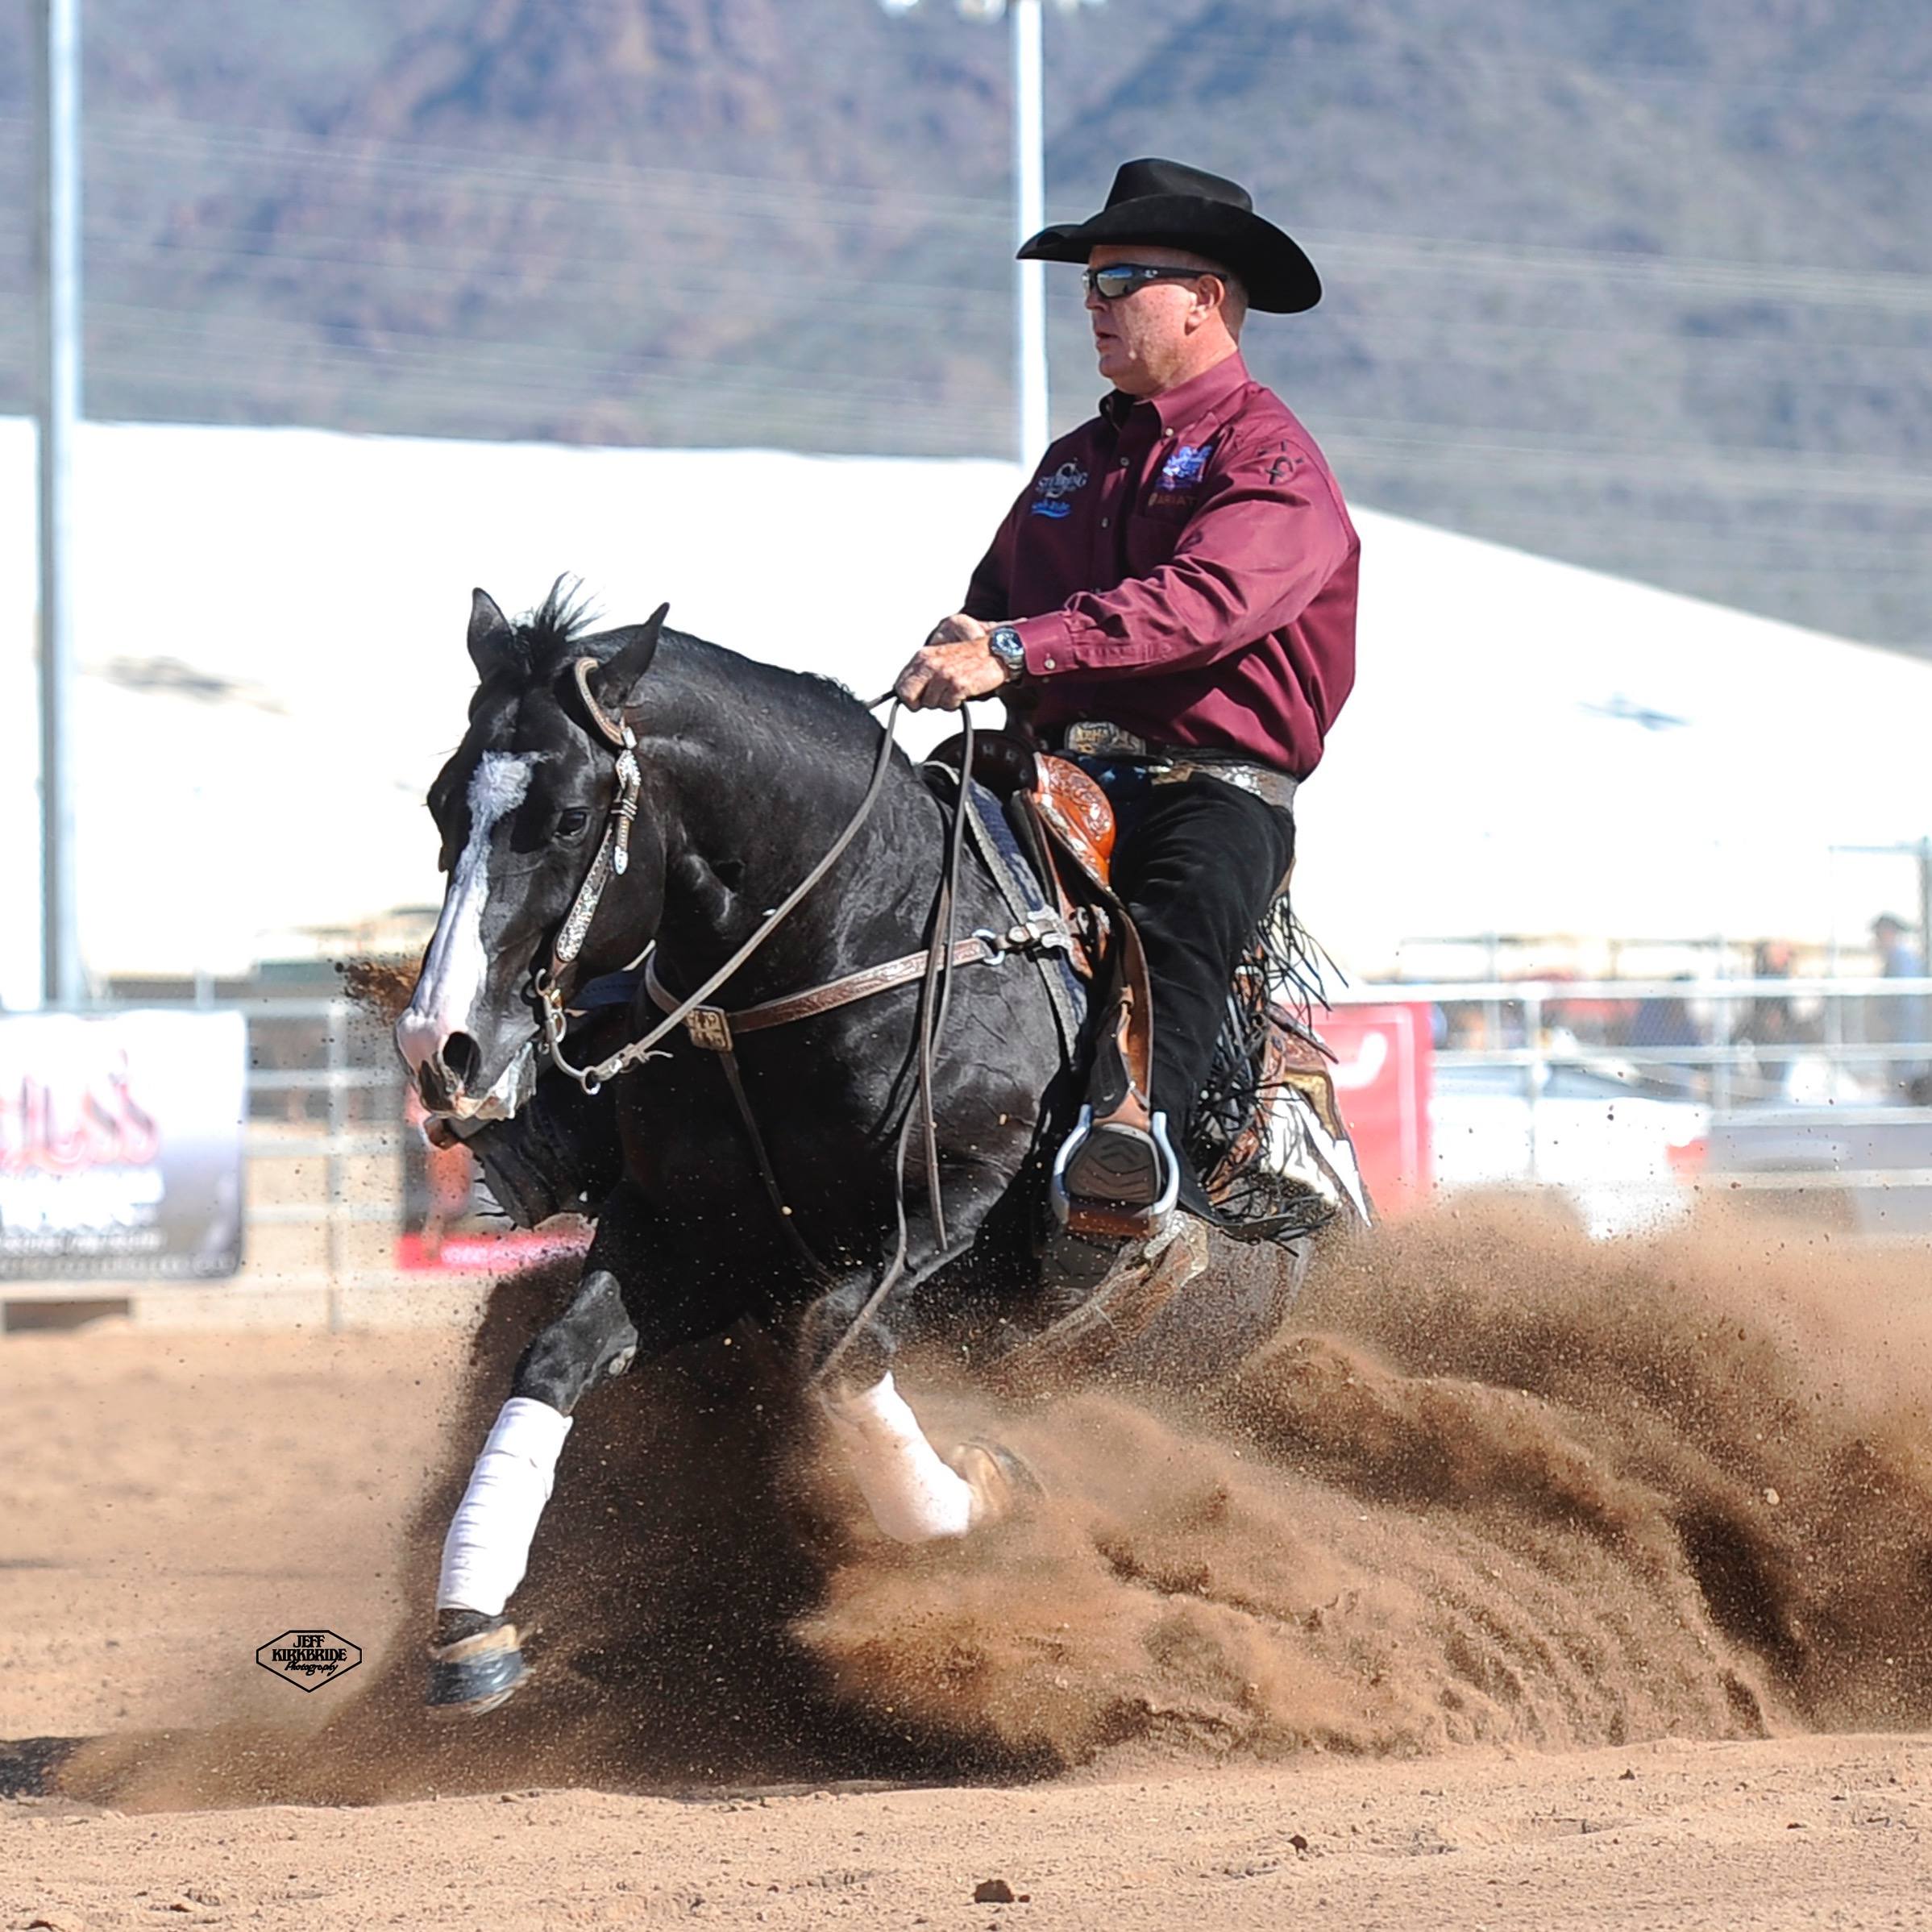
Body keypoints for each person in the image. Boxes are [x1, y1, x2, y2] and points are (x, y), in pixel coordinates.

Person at [894, 157, 1357, 1244]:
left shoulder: (1272, 458)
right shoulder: (1075, 462)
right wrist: (967, 643)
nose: (1091, 305)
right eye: (1088, 283)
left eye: (1121, 281)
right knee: (890, 849)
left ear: (1204, 296)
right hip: (1055, 772)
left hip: (1208, 787)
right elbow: (996, 603)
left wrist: (1011, 647)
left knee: (1177, 923)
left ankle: (1132, 1146)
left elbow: (1205, 603)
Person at [1869, 913, 1930, 1100]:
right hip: (1900, 1027)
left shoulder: (1903, 958)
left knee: (1907, 1070)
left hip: (1908, 1027)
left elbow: (1908, 1002)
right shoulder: (1895, 958)